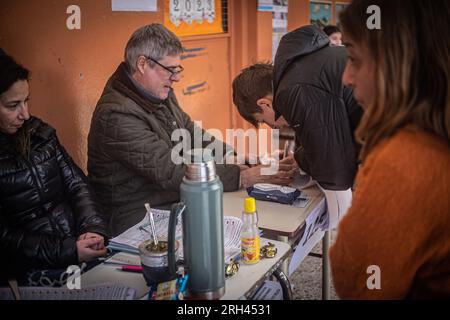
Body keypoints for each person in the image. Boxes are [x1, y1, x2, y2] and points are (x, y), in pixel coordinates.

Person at [88, 24, 296, 236]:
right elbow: (170, 169)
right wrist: (244, 177)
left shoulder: (159, 92)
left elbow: (191, 134)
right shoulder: (116, 115)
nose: (176, 78)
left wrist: (237, 158)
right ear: (142, 64)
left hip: (172, 202)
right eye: (170, 69)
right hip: (138, 218)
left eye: (178, 70)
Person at [329, 0, 450, 299]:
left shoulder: (405, 160)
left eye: (354, 59)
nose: (346, 77)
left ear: (397, 65)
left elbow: (358, 282)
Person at [232, 25, 363, 228]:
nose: (275, 127)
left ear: (265, 104)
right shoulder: (304, 67)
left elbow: (334, 171)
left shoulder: (295, 91)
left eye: (265, 122)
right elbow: (336, 136)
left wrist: (324, 227)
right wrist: (302, 158)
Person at [0, 54, 108, 286]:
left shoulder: (40, 134)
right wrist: (69, 251)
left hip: (77, 247)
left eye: (26, 101)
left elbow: (77, 185)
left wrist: (91, 228)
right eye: (13, 106)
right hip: (29, 271)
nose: (25, 114)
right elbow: (6, 239)